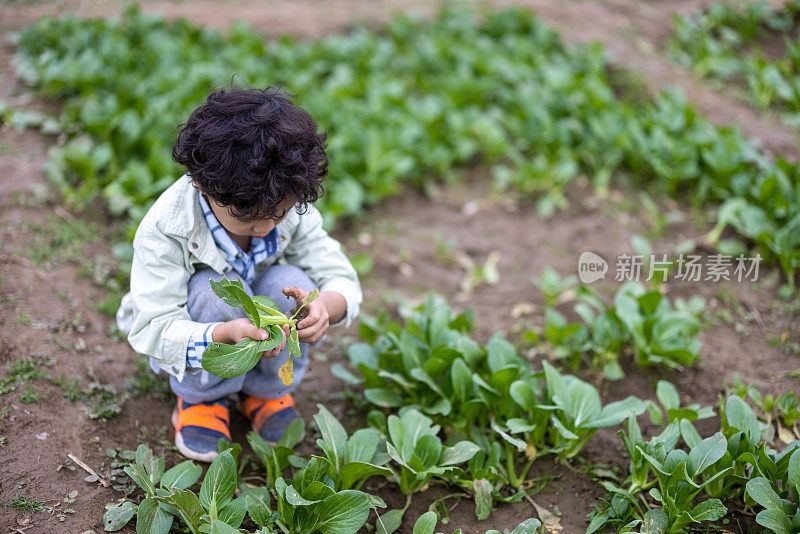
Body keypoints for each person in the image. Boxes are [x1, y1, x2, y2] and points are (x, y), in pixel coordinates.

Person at [115, 86, 362, 462]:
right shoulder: (167, 227)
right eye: (247, 218)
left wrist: (327, 306)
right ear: (202, 184)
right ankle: (201, 398)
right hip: (200, 330)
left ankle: (266, 390)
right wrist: (219, 336)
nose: (264, 228)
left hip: (264, 339)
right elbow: (155, 324)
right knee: (216, 292)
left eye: (277, 214)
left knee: (291, 283)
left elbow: (338, 274)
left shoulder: (286, 202)